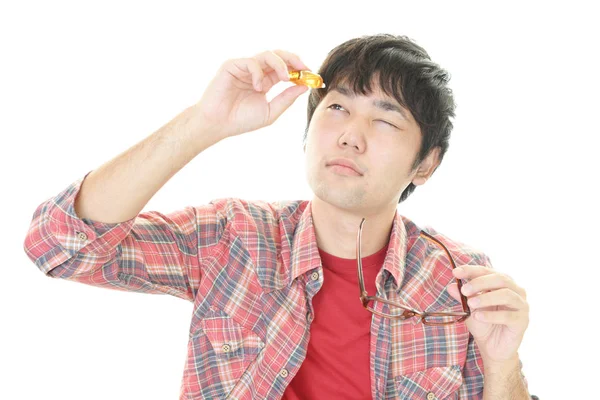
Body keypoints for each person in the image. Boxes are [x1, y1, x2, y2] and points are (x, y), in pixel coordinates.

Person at [23, 34, 534, 399]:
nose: (350, 135)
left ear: (426, 163)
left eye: (383, 120)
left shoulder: (459, 279)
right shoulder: (234, 237)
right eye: (336, 109)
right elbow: (58, 246)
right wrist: (205, 123)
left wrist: (502, 362)